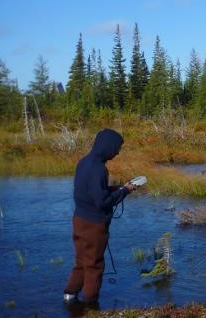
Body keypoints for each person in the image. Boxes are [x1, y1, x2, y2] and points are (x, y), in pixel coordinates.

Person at [63, 128, 137, 307]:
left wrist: (120, 188)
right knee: (94, 264)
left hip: (79, 220)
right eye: (117, 147)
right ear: (107, 146)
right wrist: (125, 192)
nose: (117, 152)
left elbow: (92, 192)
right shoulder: (98, 168)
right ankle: (90, 304)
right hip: (94, 226)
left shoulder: (84, 162)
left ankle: (70, 297)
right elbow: (102, 202)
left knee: (81, 260)